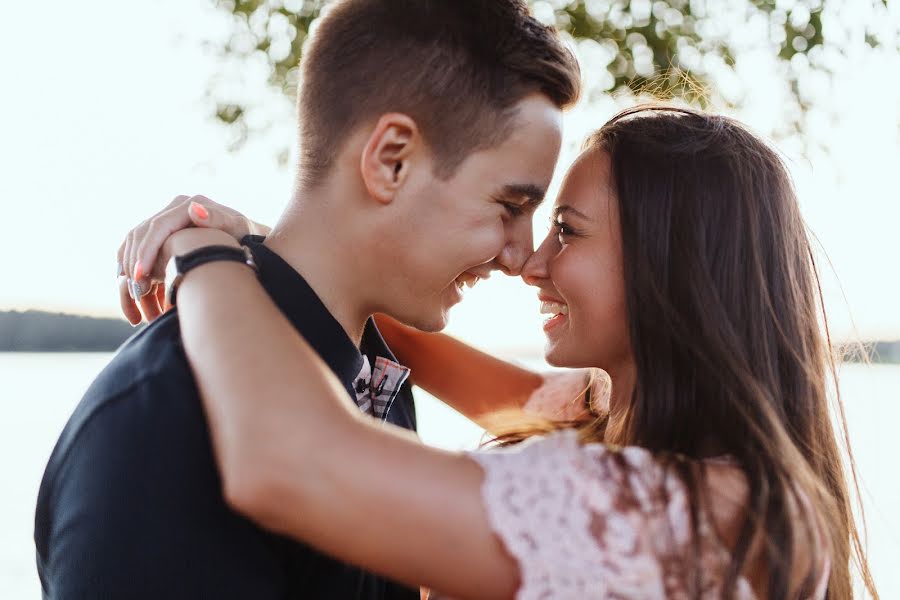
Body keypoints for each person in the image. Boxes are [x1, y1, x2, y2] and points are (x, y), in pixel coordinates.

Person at [122, 106, 879, 599]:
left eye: (569, 232)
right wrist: (266, 244)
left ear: (669, 265)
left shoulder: (713, 516)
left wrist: (203, 258)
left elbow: (285, 460)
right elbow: (407, 331)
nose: (532, 262)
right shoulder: (608, 416)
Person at [33, 1, 580, 598]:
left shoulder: (376, 381)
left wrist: (224, 249)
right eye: (509, 207)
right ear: (391, 160)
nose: (520, 256)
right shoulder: (163, 419)